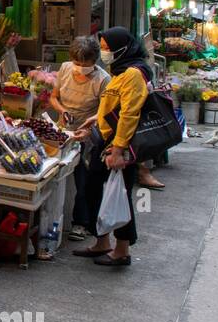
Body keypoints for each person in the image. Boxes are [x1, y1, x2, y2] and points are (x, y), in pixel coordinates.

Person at [70, 28, 150, 267]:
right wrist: (95, 119)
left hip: (119, 145)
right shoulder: (121, 71)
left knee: (119, 196)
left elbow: (129, 113)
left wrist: (117, 150)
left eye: (106, 47)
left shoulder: (134, 73)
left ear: (122, 48)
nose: (104, 51)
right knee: (93, 189)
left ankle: (122, 250)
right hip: (105, 141)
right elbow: (114, 104)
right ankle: (102, 241)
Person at [47, 36, 109, 242]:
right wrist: (62, 110)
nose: (81, 67)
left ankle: (81, 223)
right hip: (63, 131)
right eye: (78, 63)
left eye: (86, 64)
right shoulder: (65, 69)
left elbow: (105, 111)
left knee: (83, 179)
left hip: (87, 135)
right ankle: (52, 220)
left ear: (95, 61)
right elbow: (53, 97)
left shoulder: (102, 80)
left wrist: (90, 125)